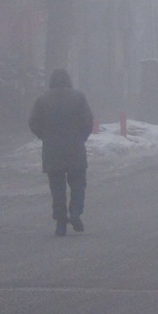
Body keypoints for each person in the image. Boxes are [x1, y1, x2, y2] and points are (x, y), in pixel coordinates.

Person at [29, 69, 94, 236]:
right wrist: (81, 137)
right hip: (75, 148)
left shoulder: (42, 100)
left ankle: (60, 222)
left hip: (52, 150)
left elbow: (33, 122)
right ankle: (75, 212)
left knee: (57, 187)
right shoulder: (79, 97)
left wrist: (44, 136)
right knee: (78, 183)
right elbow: (88, 121)